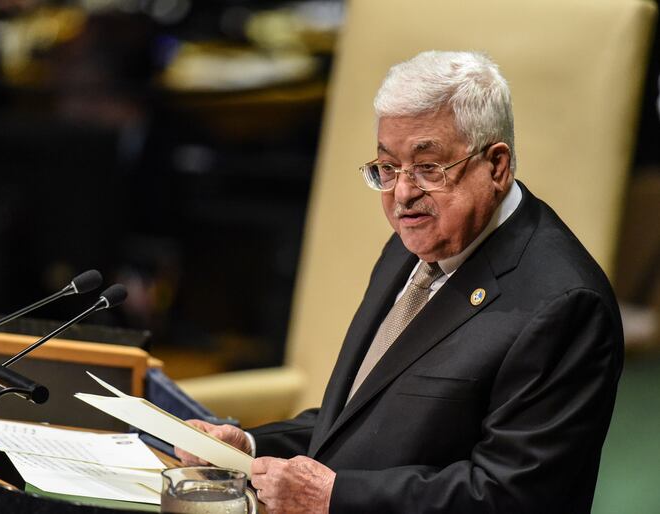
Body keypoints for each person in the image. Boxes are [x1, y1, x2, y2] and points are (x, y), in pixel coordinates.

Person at [176, 50, 623, 514]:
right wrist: (248, 445)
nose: (403, 194)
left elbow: (512, 497)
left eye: (428, 168)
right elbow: (365, 421)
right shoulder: (416, 242)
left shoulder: (564, 305)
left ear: (496, 165)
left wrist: (335, 499)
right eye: (387, 168)